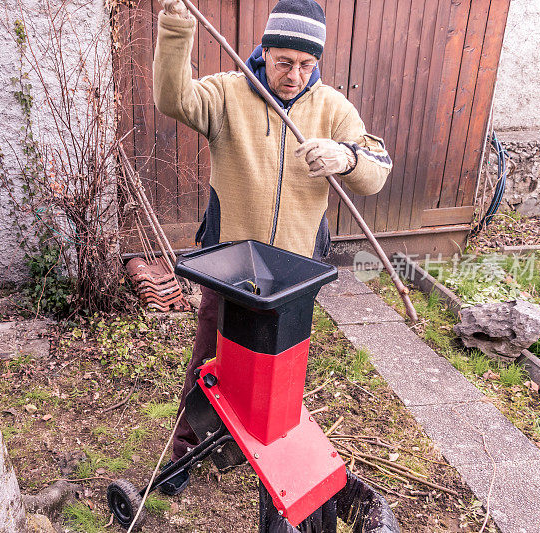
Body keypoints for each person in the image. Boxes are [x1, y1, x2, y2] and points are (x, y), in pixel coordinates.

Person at [153, 0, 392, 496]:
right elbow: (172, 99)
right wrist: (177, 30)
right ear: (264, 49)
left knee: (279, 371)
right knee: (209, 363)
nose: (294, 75)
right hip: (229, 267)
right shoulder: (227, 93)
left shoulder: (331, 108)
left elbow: (376, 170)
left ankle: (265, 446)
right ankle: (181, 452)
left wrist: (345, 156)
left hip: (294, 275)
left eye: (306, 65)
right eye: (284, 61)